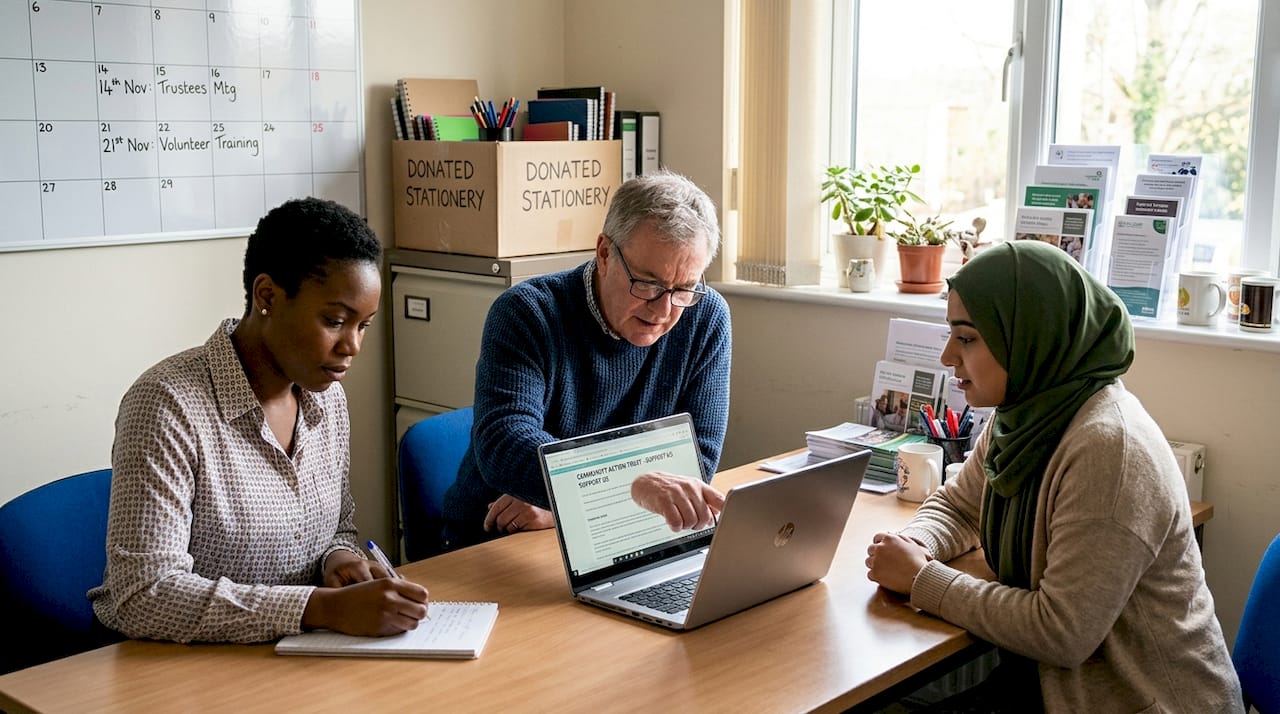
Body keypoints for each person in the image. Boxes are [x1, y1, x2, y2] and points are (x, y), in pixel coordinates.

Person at [864, 240, 1241, 712]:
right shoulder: (1026, 414)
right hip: (1052, 690)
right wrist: (917, 544)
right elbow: (960, 504)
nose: (947, 357)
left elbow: (1061, 631)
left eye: (966, 338)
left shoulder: (1108, 448)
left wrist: (923, 579)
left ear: (1028, 337)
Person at [90, 197, 430, 643]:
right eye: (335, 320)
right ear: (267, 295)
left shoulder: (328, 401)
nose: (353, 346)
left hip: (298, 656)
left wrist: (339, 560)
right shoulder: (167, 404)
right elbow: (144, 594)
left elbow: (337, 529)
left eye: (363, 325)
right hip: (178, 670)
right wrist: (318, 607)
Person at [440, 171, 732, 550]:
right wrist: (628, 486)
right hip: (494, 537)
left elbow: (695, 461)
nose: (663, 309)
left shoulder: (705, 317)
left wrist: (570, 503)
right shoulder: (527, 313)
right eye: (647, 283)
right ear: (605, 253)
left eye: (683, 289)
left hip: (617, 537)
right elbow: (504, 442)